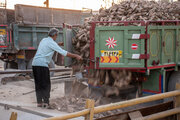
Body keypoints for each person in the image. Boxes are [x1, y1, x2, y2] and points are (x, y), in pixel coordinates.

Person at [32, 28, 82, 108]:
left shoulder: (44, 40)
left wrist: (58, 44)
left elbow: (50, 45)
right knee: (46, 84)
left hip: (35, 64)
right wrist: (76, 56)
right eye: (56, 36)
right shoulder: (52, 43)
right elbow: (64, 53)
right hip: (42, 65)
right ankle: (46, 103)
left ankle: (39, 102)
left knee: (38, 84)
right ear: (55, 35)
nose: (56, 37)